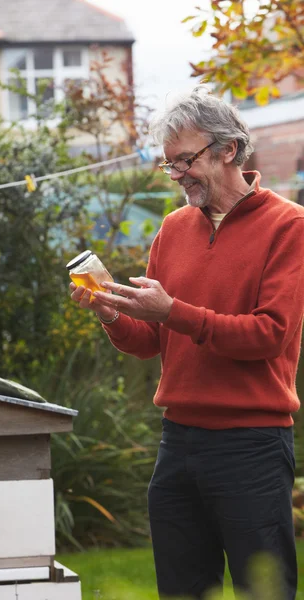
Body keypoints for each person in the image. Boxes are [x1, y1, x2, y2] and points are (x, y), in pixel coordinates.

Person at [70, 86, 304, 600]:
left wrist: (174, 311)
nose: (176, 174)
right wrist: (111, 313)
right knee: (182, 591)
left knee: (263, 590)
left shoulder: (289, 226)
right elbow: (152, 341)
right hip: (178, 443)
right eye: (168, 164)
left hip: (252, 444)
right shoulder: (173, 229)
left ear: (228, 150)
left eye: (185, 160)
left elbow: (269, 336)